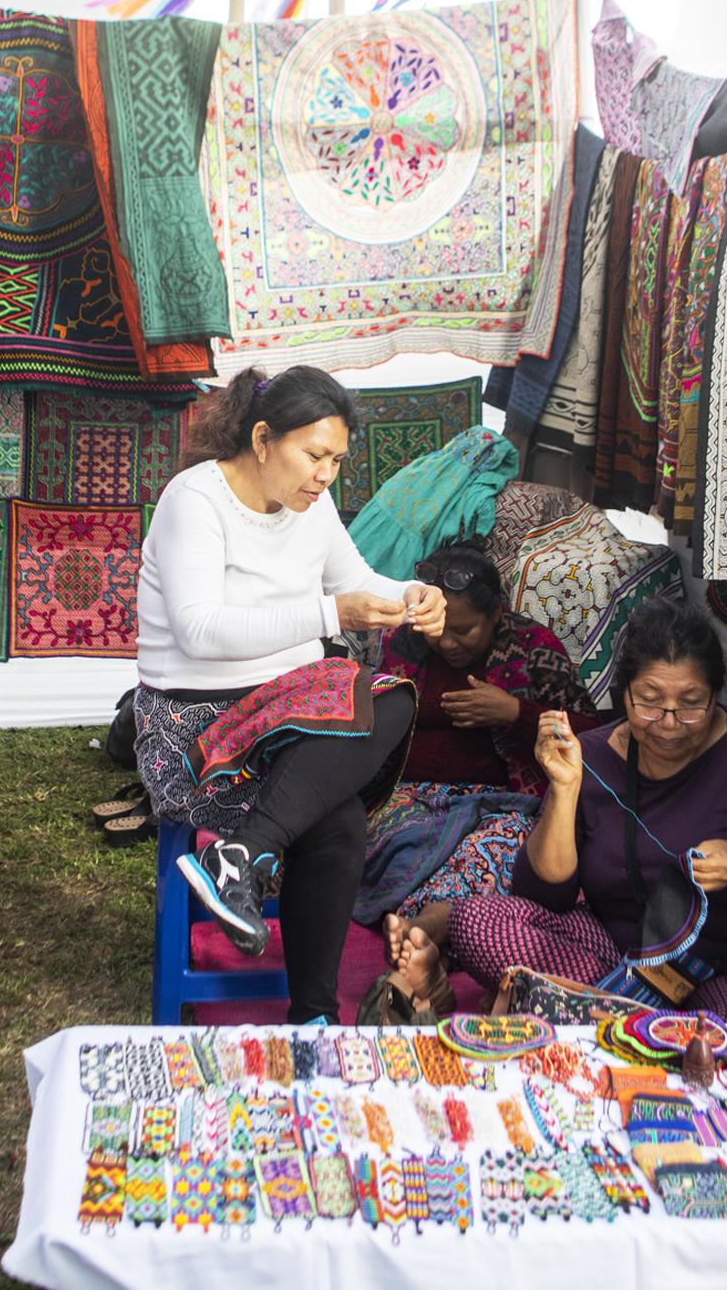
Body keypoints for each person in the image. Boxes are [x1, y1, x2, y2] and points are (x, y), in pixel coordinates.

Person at [135, 365, 444, 1025]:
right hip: (193, 727)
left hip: (284, 715)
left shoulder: (313, 505)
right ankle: (247, 857)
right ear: (264, 438)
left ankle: (307, 1009)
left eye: (335, 459)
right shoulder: (195, 500)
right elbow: (198, 629)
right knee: (339, 812)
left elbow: (361, 579)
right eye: (314, 455)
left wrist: (414, 595)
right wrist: (331, 615)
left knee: (388, 701)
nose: (325, 474)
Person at [387, 597, 727, 1023]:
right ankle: (605, 1014)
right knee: (478, 922)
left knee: (725, 1037)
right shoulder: (590, 756)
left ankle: (576, 1012)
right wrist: (565, 790)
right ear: (623, 693)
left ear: (714, 696)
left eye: (691, 705)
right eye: (650, 702)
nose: (669, 723)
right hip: (621, 956)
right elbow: (543, 896)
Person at [352, 543, 599, 924]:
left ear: (497, 613)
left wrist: (515, 713)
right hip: (407, 797)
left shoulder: (533, 647)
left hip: (501, 803)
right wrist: (422, 707)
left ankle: (430, 925)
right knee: (393, 846)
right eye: (437, 629)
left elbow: (593, 735)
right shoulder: (403, 643)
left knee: (500, 847)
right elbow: (366, 716)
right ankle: (427, 924)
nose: (447, 643)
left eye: (464, 630)